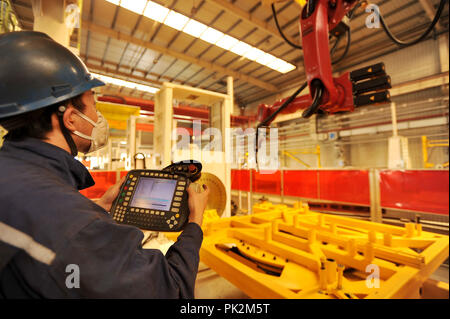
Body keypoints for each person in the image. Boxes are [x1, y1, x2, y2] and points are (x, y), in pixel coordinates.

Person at [0, 31, 209, 298]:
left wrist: (97, 209)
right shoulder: (74, 225)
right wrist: (195, 223)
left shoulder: (14, 177)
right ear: (72, 119)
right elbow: (171, 290)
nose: (98, 116)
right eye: (93, 106)